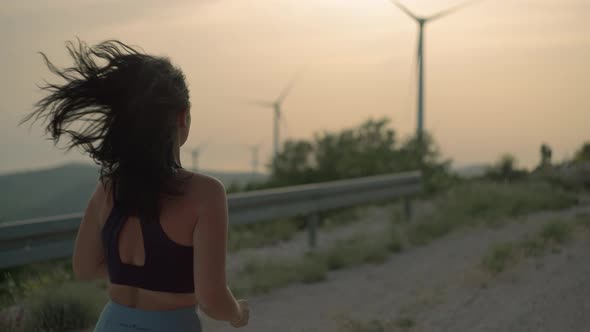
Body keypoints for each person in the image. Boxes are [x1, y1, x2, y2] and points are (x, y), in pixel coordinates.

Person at [21, 39, 249, 331]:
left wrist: (136, 277)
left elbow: (85, 267)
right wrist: (237, 312)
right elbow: (212, 299)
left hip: (112, 322)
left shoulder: (108, 187)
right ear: (183, 117)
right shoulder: (205, 193)